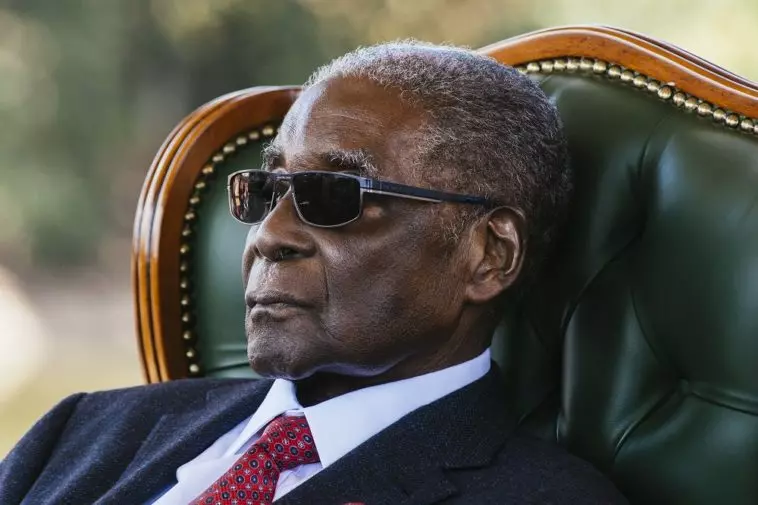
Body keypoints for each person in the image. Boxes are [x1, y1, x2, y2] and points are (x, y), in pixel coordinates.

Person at [0, 41, 628, 505]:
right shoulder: (82, 428)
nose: (268, 236)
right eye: (267, 191)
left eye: (334, 195)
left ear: (489, 255)